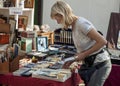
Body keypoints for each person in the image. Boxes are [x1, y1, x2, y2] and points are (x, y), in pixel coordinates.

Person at [50, 1, 111, 86]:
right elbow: (84, 49)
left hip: (100, 64)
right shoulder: (74, 25)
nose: (57, 22)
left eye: (57, 19)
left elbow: (102, 41)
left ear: (62, 15)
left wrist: (84, 54)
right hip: (90, 64)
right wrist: (72, 60)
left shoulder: (81, 24)